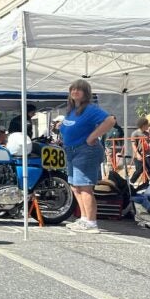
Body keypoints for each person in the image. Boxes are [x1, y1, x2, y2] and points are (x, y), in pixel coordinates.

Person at [59, 79, 115, 234]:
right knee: (75, 186)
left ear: (86, 93)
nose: (75, 91)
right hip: (71, 151)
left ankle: (91, 222)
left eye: (79, 89)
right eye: (73, 89)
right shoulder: (71, 110)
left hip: (85, 150)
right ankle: (84, 219)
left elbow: (110, 120)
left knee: (85, 187)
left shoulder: (90, 109)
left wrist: (92, 137)